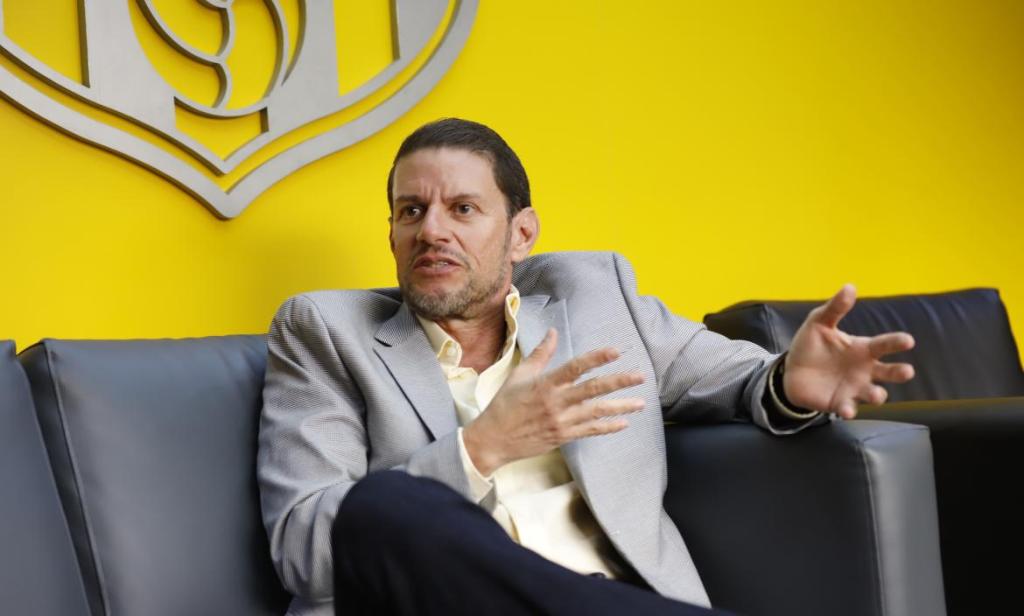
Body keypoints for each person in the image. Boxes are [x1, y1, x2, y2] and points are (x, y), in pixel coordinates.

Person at [257, 118, 916, 616]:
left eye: (463, 209)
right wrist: (481, 448)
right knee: (384, 507)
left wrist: (789, 383)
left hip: (622, 595)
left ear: (521, 234)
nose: (431, 231)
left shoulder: (594, 296)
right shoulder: (325, 332)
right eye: (411, 211)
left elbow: (737, 378)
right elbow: (305, 550)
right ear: (393, 235)